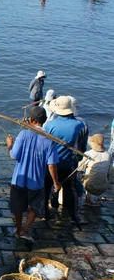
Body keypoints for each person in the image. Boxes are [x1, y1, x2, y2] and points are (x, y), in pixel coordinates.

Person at [6, 106, 60, 241]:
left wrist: (10, 144)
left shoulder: (23, 134)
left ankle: (19, 229)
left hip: (19, 179)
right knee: (35, 206)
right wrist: (56, 183)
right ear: (45, 120)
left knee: (17, 207)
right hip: (37, 180)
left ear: (30, 120)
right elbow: (52, 165)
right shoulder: (50, 139)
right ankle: (25, 229)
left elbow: (14, 155)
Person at [44, 95, 86, 224]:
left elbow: (45, 146)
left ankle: (45, 213)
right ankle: (74, 216)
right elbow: (81, 147)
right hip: (67, 163)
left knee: (46, 187)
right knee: (70, 190)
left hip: (50, 163)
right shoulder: (79, 125)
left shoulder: (49, 125)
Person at [77, 134, 111, 206]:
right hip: (104, 186)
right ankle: (95, 198)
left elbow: (80, 168)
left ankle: (83, 195)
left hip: (90, 185)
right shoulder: (108, 154)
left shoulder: (88, 154)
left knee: (79, 173)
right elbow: (108, 172)